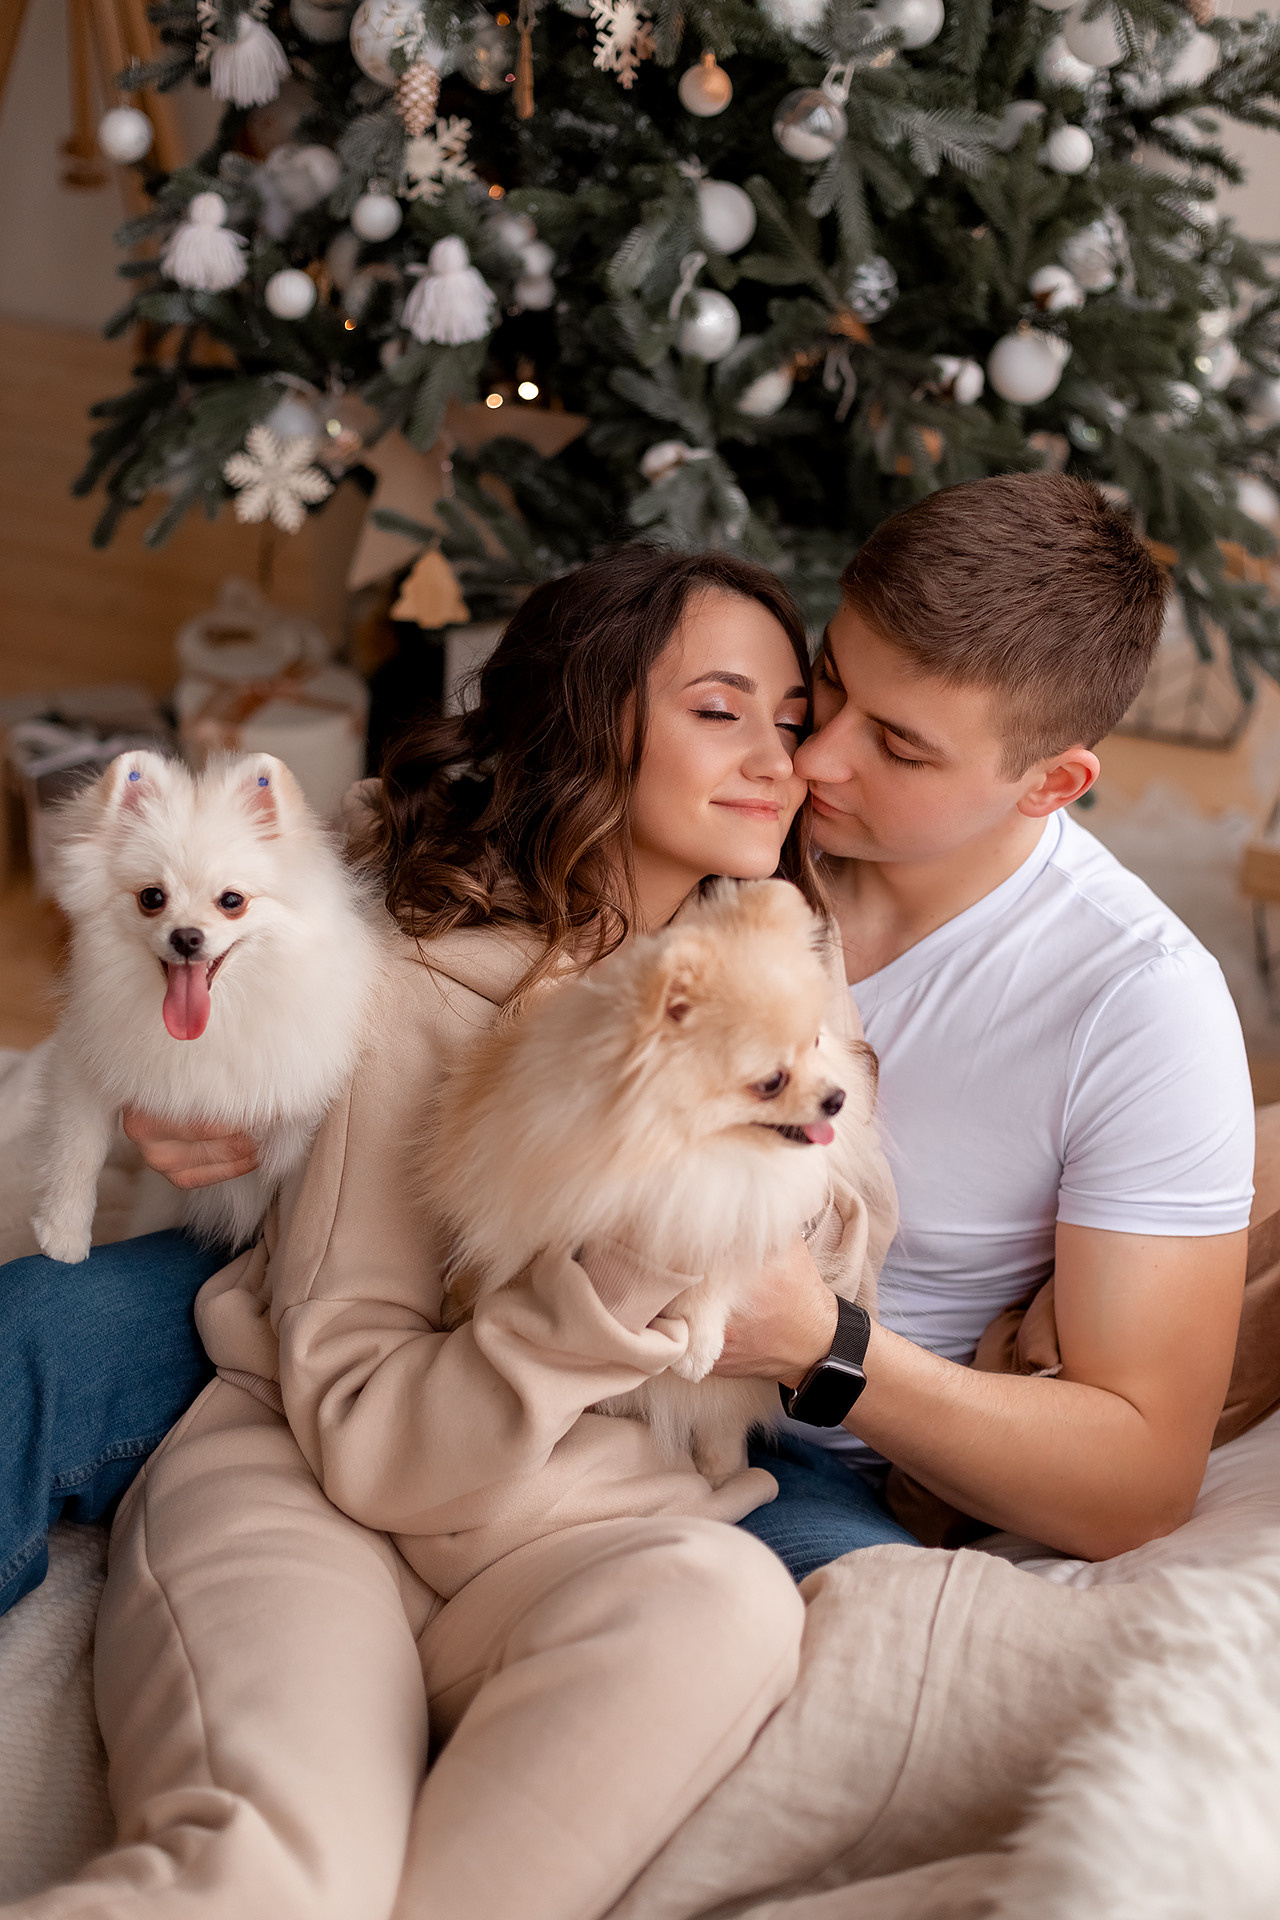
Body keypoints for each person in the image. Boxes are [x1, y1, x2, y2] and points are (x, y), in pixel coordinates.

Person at [0, 545, 899, 1920]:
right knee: (277, 1874)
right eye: (721, 711)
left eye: (790, 719)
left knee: (728, 1600)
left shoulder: (783, 986)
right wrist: (626, 1271)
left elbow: (817, 1278)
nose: (778, 758)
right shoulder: (415, 977)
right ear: (594, 720)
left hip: (584, 1526)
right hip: (315, 1486)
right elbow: (362, 1423)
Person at [726, 474, 1256, 1577]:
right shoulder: (725, 802)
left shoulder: (1138, 1003)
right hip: (528, 1357)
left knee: (841, 1636)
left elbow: (1136, 1483)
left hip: (793, 1456)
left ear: (1050, 783)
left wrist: (815, 1340)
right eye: (828, 681)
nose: (813, 760)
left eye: (900, 747)